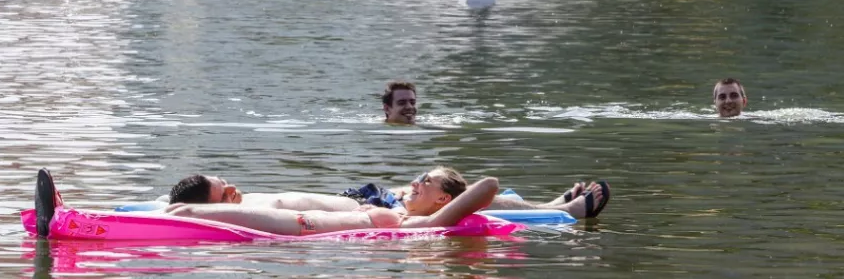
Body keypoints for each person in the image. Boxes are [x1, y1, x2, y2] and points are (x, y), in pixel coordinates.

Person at [165, 168, 610, 235]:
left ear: (443, 201)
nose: (415, 183)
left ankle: (561, 212)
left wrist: (442, 206)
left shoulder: (414, 227)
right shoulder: (405, 212)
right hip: (297, 223)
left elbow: (488, 188)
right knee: (183, 210)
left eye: (425, 182)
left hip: (298, 228)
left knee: (183, 213)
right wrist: (421, 196)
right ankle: (559, 209)